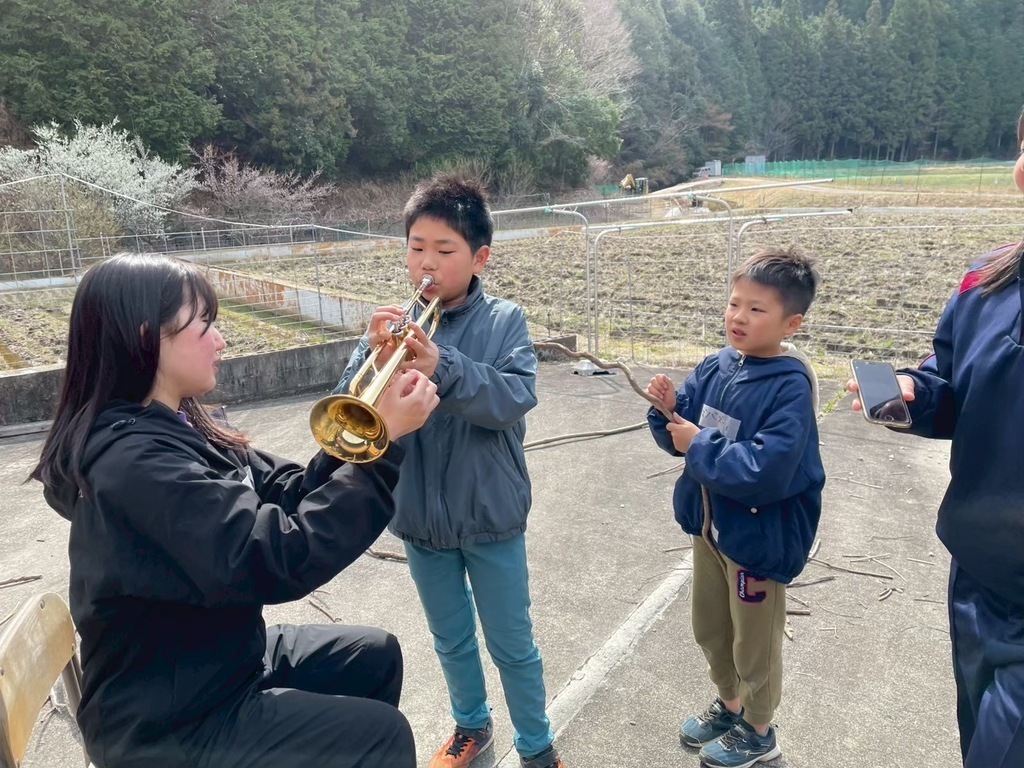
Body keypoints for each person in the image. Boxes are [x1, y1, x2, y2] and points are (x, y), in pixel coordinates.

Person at [29, 253, 439, 768]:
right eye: (205, 325)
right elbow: (277, 556)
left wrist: (372, 419)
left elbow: (287, 493)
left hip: (210, 659)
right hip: (166, 720)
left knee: (373, 656)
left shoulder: (179, 424)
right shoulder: (135, 465)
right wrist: (386, 447)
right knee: (380, 736)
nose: (221, 341)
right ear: (147, 337)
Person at [334, 174, 565, 768]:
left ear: (479, 257)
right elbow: (352, 410)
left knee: (512, 644)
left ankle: (537, 746)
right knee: (450, 638)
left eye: (444, 250)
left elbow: (513, 399)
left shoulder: (506, 320)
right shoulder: (393, 326)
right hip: (418, 515)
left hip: (490, 514)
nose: (427, 264)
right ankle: (470, 726)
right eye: (416, 248)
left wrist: (444, 364)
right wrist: (368, 356)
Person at [847, 107, 1024, 768]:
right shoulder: (986, 281)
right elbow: (950, 385)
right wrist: (911, 394)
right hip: (977, 572)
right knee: (977, 737)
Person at [646, 246, 825, 768]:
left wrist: (697, 443)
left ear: (792, 323)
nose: (738, 317)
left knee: (755, 643)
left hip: (757, 540)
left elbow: (766, 470)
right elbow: (684, 431)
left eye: (756, 309)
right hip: (709, 528)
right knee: (710, 626)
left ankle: (760, 729)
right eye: (734, 303)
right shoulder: (717, 365)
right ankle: (730, 705)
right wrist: (666, 410)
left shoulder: (790, 386)